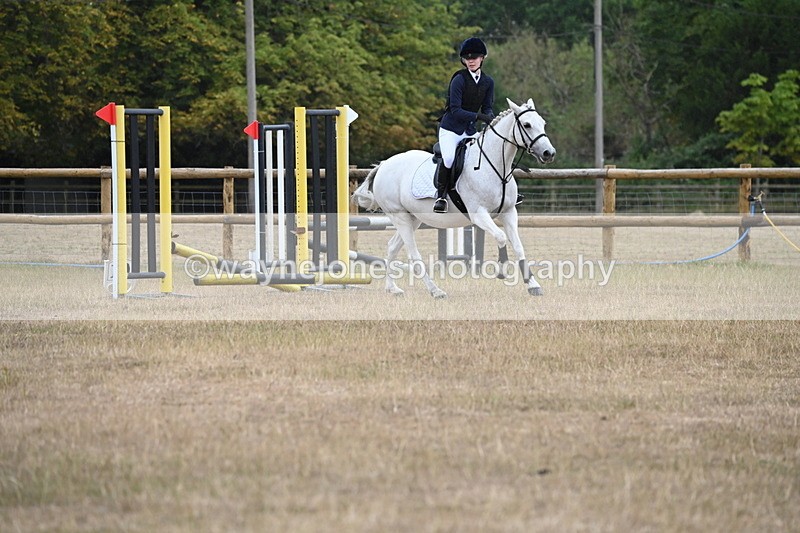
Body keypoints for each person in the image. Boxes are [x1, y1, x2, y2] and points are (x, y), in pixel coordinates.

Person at [433, 37, 495, 213]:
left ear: (482, 58)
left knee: (489, 154)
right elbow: (455, 110)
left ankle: (498, 193)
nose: (471, 60)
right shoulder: (459, 79)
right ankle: (441, 196)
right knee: (450, 158)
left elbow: (488, 107)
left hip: (469, 130)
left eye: (474, 57)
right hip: (450, 129)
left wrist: (490, 119)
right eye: (468, 58)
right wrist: (479, 116)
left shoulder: (488, 82)